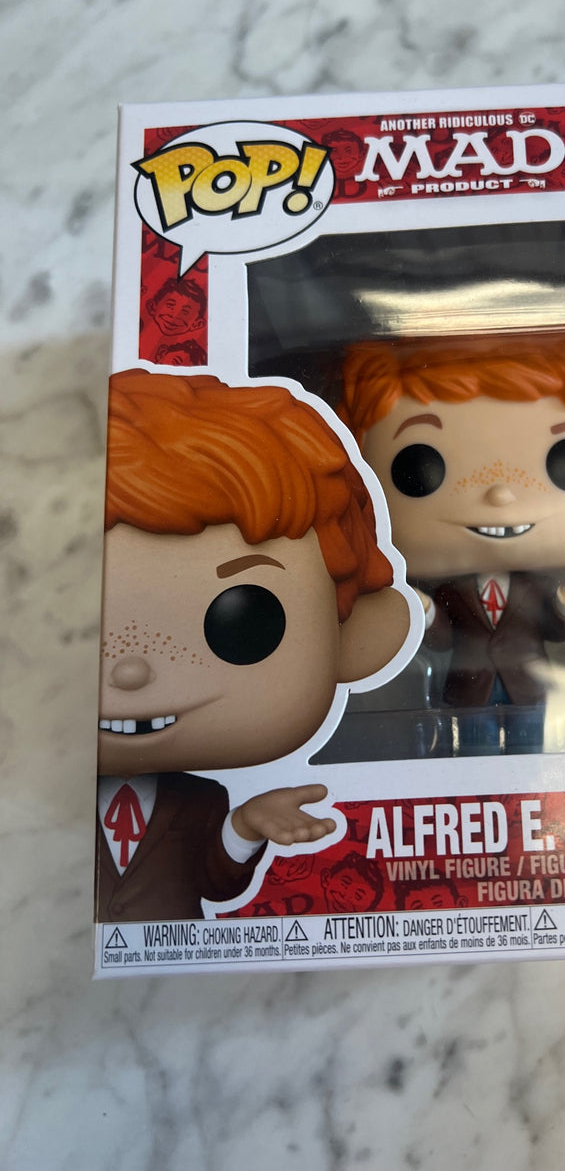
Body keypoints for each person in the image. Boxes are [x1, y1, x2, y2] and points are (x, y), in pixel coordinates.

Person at [97, 369, 411, 921]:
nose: (129, 672)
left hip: (180, 965)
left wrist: (245, 826)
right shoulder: (36, 797)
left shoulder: (202, 802)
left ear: (353, 638)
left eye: (243, 621)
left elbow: (217, 882)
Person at [339, 331, 565, 755]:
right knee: (473, 760)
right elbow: (440, 639)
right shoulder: (452, 592)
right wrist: (422, 608)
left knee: (531, 759)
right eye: (419, 467)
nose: (501, 495)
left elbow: (558, 630)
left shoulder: (537, 588)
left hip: (531, 691)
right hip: (467, 695)